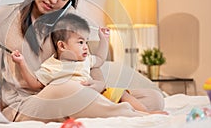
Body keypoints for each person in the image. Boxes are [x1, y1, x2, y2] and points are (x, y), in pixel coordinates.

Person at [0, 0, 165, 122]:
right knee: (64, 89)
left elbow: (91, 66)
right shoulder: (2, 17)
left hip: (71, 94)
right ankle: (138, 117)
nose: (53, 0)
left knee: (154, 97)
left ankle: (85, 110)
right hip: (25, 104)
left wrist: (97, 85)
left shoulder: (71, 22)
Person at [11, 13, 167, 115]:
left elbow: (100, 59)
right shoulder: (53, 65)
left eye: (86, 41)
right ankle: (137, 115)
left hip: (97, 95)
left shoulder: (85, 59)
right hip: (75, 99)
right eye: (80, 42)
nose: (86, 46)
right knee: (76, 94)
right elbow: (35, 84)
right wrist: (21, 63)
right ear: (62, 46)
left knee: (124, 94)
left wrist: (103, 39)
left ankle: (145, 112)